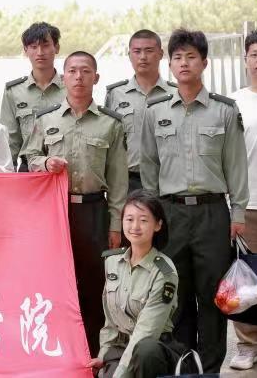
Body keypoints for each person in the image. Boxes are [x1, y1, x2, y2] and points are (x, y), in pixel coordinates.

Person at [140, 29, 249, 372]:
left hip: (212, 214)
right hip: (170, 213)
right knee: (177, 294)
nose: (184, 63)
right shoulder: (155, 111)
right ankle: (185, 367)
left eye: (191, 57)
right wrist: (153, 215)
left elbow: (236, 165)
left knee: (213, 295)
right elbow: (149, 165)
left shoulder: (224, 110)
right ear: (170, 64)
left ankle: (211, 369)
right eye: (177, 57)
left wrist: (238, 213)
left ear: (204, 62)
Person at [23, 51, 128, 357]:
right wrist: (45, 163)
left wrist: (116, 225)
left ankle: (94, 356)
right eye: (72, 71)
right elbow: (29, 158)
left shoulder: (111, 123)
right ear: (63, 77)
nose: (79, 77)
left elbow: (119, 181)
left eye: (85, 71)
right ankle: (59, 354)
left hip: (95, 212)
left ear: (96, 77)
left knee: (95, 286)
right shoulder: (46, 120)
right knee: (57, 284)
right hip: (56, 213)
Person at [88, 189, 183, 378]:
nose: (135, 226)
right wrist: (103, 355)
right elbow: (110, 320)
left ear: (158, 225)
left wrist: (120, 374)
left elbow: (146, 331)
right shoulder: (112, 262)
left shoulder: (165, 272)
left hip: (154, 350)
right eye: (129, 219)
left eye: (144, 220)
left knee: (145, 351)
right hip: (121, 348)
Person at [226, 29, 257, 370]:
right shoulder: (233, 102)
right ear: (245, 60)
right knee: (248, 279)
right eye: (255, 54)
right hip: (246, 205)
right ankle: (249, 345)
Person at [105, 30, 176, 192]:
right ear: (129, 55)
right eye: (137, 51)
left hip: (168, 179)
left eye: (149, 51)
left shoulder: (176, 94)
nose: (143, 57)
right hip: (128, 181)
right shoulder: (116, 94)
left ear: (161, 54)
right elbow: (108, 139)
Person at [0, 22, 65, 171]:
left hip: (64, 167)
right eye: (34, 47)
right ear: (25, 50)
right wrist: (7, 174)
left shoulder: (71, 88)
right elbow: (10, 140)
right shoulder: (14, 91)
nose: (40, 52)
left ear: (56, 48)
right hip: (29, 169)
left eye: (46, 45)